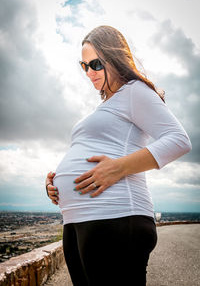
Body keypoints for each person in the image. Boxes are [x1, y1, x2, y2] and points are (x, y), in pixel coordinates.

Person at [45, 25, 192, 286]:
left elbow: (179, 140)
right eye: (84, 66)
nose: (90, 72)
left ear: (114, 58)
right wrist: (57, 183)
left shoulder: (134, 91)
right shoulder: (107, 105)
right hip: (80, 220)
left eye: (96, 64)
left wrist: (118, 168)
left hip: (116, 218)